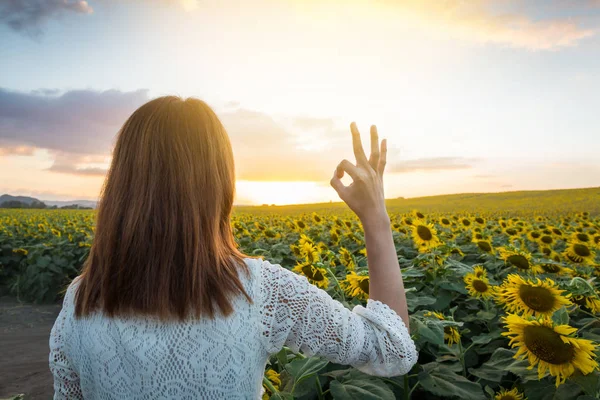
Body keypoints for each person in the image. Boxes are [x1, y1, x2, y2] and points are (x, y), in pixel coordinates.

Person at [49, 96, 417, 399]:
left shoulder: (80, 302)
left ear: (121, 186)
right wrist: (376, 219)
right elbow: (392, 350)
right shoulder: (259, 291)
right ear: (219, 185)